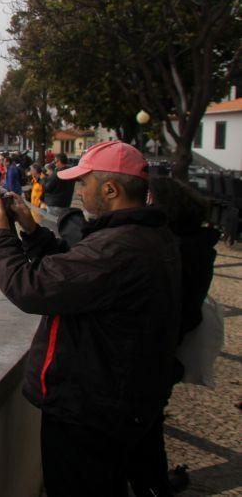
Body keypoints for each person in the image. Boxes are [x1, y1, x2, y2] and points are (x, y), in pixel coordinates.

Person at [0, 141, 181, 497]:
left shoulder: (119, 248)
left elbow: (31, 288)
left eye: (84, 183)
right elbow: (77, 276)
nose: (80, 191)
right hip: (115, 400)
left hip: (90, 410)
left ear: (110, 189)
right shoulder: (142, 237)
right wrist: (32, 232)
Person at [126, 177, 220, 497]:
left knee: (141, 433)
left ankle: (151, 486)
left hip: (151, 358)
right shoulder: (195, 246)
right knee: (148, 432)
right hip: (165, 357)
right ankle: (153, 485)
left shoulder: (172, 251)